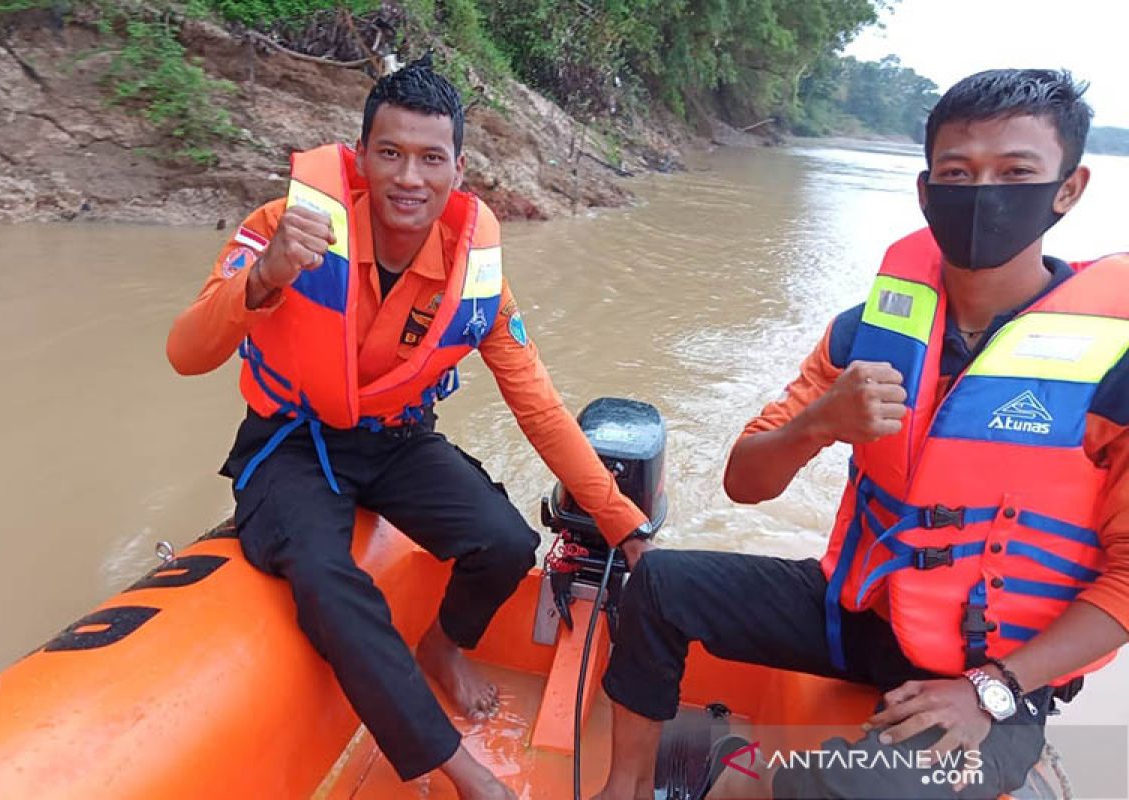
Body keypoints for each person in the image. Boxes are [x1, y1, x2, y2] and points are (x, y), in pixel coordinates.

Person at [592, 69, 1129, 800]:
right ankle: (623, 788)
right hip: (855, 614)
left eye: (1015, 172)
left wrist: (993, 689)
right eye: (958, 173)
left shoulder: (1114, 368)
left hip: (995, 670)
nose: (983, 194)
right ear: (926, 190)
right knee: (657, 581)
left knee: (852, 792)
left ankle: (739, 782)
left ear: (1068, 188)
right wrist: (820, 423)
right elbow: (743, 483)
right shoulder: (865, 333)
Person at [166, 57, 652, 800]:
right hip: (289, 442)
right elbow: (185, 352)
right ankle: (460, 771)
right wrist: (261, 279)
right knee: (329, 583)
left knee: (506, 542)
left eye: (431, 158)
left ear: (459, 169)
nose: (409, 178)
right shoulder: (282, 228)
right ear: (360, 158)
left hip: (396, 440)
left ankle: (444, 646)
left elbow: (539, 406)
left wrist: (625, 527)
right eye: (390, 153)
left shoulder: (475, 275)